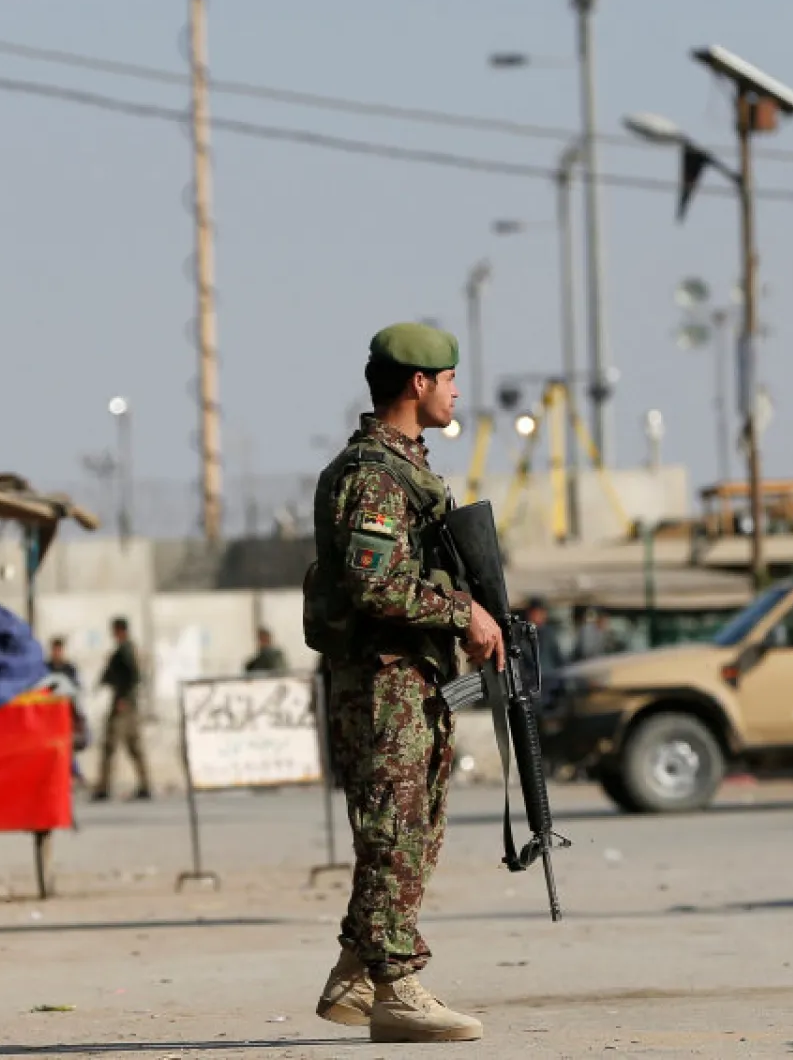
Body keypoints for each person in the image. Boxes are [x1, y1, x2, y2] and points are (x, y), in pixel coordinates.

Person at [304, 321, 503, 1044]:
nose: (456, 389)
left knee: (412, 832)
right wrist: (463, 614)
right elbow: (374, 586)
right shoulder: (375, 476)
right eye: (448, 376)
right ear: (416, 384)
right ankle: (396, 988)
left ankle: (359, 971)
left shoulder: (405, 470)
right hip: (383, 684)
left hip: (410, 678)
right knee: (394, 834)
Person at [91, 616, 152, 802]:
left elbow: (133, 675)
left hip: (123, 704)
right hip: (127, 703)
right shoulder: (126, 649)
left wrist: (123, 698)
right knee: (133, 745)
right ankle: (144, 785)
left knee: (111, 745)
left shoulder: (125, 650)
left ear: (119, 631)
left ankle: (104, 787)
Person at [47, 636, 90, 784]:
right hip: (49, 713)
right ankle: (69, 772)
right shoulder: (46, 668)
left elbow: (76, 689)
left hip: (66, 712)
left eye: (59, 650)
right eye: (55, 650)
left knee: (67, 744)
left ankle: (74, 772)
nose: (57, 653)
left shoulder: (69, 668)